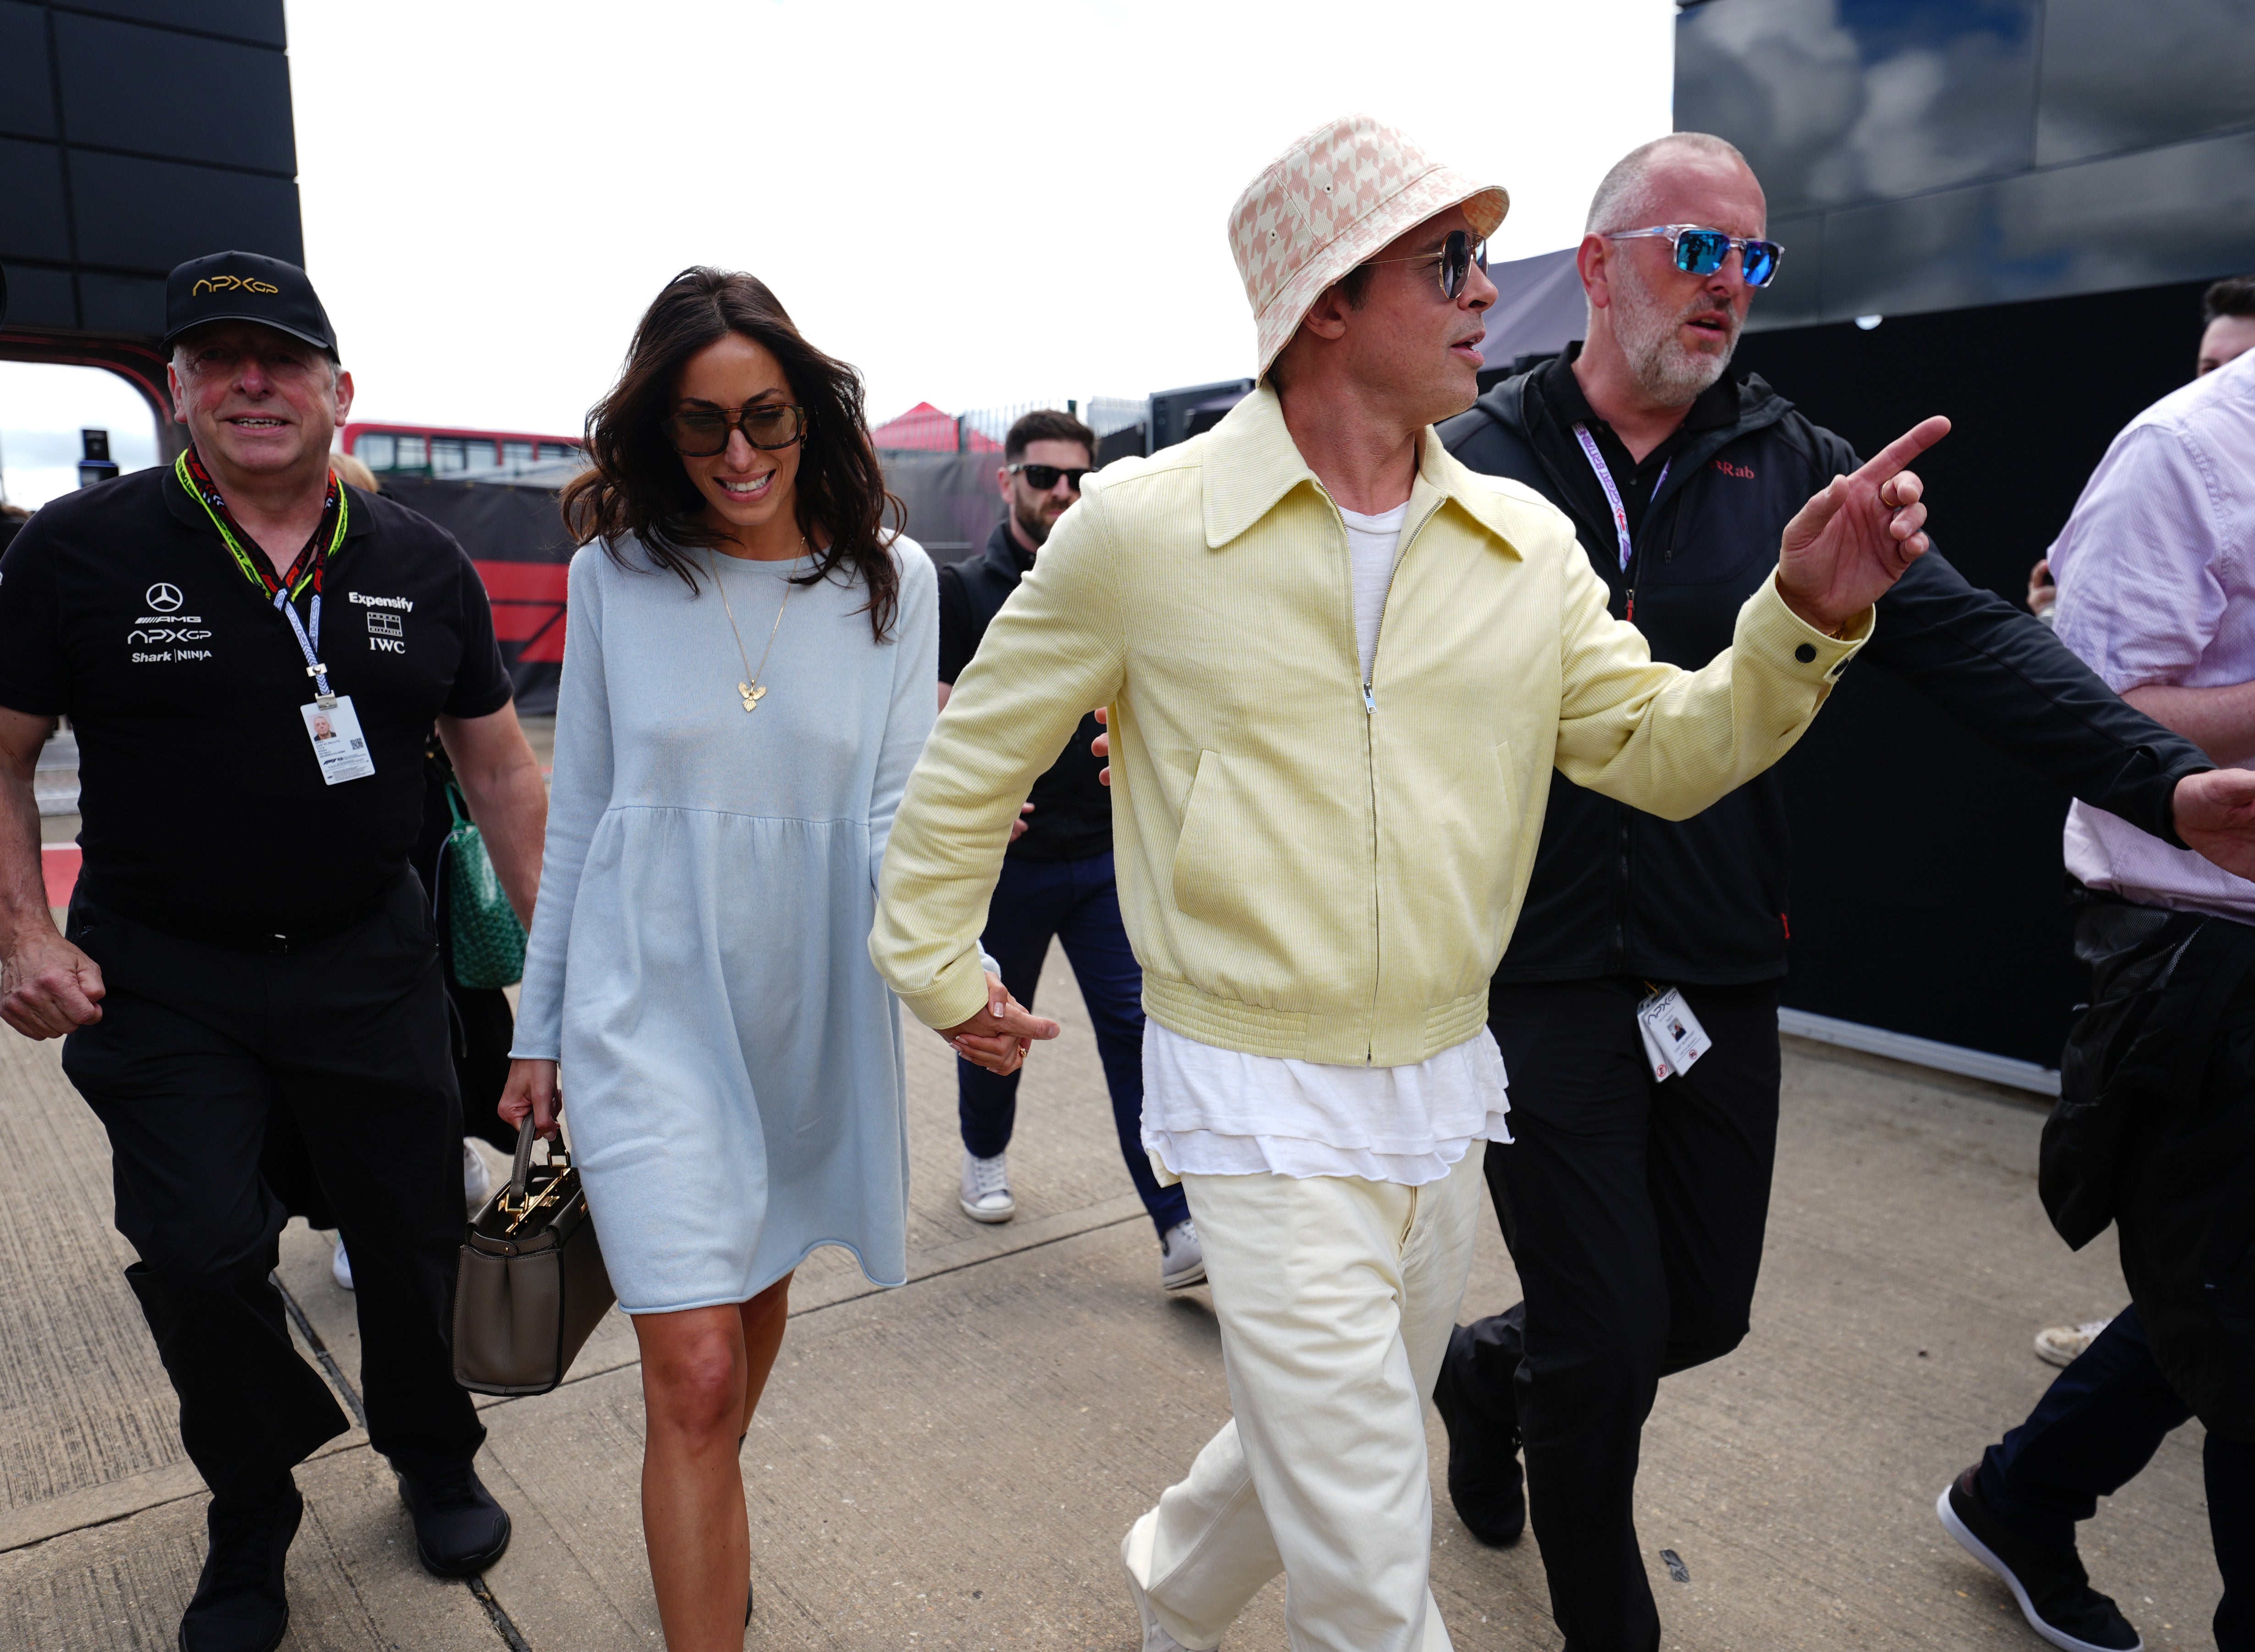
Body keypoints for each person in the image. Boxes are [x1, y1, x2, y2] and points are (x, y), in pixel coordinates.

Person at [871, 113, 1949, 1652]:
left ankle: (1174, 1589)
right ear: (1325, 304)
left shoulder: (1522, 539)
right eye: (1447, 264)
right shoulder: (1142, 527)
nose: (1482, 300)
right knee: (1375, 1554)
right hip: (1246, 1091)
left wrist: (1801, 621)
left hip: (1447, 1084)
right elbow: (971, 763)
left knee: (1336, 1418)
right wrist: (935, 958)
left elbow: (1662, 748)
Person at [1430, 135, 2255, 1652]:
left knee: (1698, 1311)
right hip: (1528, 962)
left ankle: (1492, 1373)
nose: (1730, 286)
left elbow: (1980, 650)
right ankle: (1610, 1618)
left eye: (1757, 260)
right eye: (1699, 248)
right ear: (1601, 261)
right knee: (1609, 1342)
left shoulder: (1794, 461)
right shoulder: (1479, 459)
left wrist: (2166, 783)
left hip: (1719, 956)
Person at [0, 250, 548, 1652]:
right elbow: (3, 756)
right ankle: (250, 1509)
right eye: (221, 357)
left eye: (283, 357)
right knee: (196, 1250)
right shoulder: (79, 552)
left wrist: (556, 984)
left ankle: (434, 1454)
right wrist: (22, 927)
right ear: (180, 390)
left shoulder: (420, 564)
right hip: (164, 975)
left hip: (368, 964)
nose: (255, 381)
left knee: (414, 1238)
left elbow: (498, 776)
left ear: (337, 391)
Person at [495, 267, 1030, 1649]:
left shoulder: (893, 586)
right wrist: (535, 1029)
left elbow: (889, 816)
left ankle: (700, 1546)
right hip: (644, 1007)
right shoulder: (613, 573)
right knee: (691, 1371)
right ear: (658, 434)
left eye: (766, 418)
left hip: (802, 1013)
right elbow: (591, 810)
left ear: (811, 414)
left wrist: (949, 974)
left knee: (727, 1378)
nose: (738, 454)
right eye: (701, 425)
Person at [1935, 344, 2255, 1652]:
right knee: (2244, 1329)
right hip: (2203, 945)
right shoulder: (2186, 454)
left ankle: (2024, 1493)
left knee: (2227, 1290)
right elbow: (2093, 706)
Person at [937, 407, 1201, 1286]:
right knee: (997, 1027)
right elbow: (937, 717)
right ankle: (984, 1152)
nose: (1063, 492)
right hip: (1008, 867)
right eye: (1043, 475)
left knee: (1134, 1031)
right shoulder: (966, 589)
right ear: (1007, 479)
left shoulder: (1114, 574)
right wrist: (971, 805)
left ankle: (1175, 1225)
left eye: (1077, 477)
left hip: (1102, 859)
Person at [2030, 271, 2255, 621]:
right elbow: (2110, 665)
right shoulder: (2165, 456)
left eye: (2242, 370)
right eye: (2209, 370)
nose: (2218, 388)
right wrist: (2056, 617)